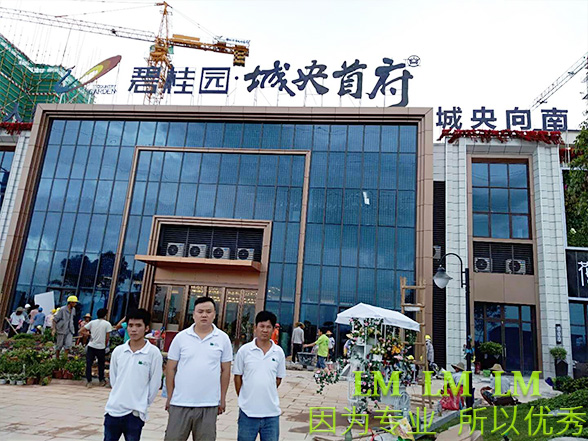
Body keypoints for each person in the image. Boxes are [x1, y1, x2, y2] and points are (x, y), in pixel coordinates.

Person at [164, 296, 232, 441]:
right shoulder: (181, 337)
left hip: (209, 404)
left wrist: (222, 397)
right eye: (200, 311)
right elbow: (170, 369)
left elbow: (226, 370)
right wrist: (170, 396)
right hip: (180, 402)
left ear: (214, 314)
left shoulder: (222, 338)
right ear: (193, 314)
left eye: (208, 311)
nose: (204, 315)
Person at [104, 308, 163, 441]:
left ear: (147, 328)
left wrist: (142, 404)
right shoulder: (119, 351)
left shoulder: (153, 353)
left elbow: (155, 383)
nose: (133, 330)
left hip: (135, 413)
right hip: (113, 410)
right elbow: (114, 379)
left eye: (138, 326)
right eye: (130, 326)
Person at [234, 311, 286, 441]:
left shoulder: (278, 352)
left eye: (268, 327)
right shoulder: (244, 351)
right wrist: (245, 396)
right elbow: (237, 377)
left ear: (273, 329)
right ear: (255, 327)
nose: (265, 330)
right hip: (248, 413)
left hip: (271, 414)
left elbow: (278, 379)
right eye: (262, 326)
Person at [80, 308, 113, 388]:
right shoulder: (107, 324)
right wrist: (105, 345)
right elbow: (107, 337)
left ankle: (89, 381)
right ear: (105, 315)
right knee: (101, 364)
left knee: (89, 364)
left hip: (91, 345)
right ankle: (101, 380)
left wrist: (88, 335)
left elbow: (81, 330)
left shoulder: (92, 322)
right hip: (101, 347)